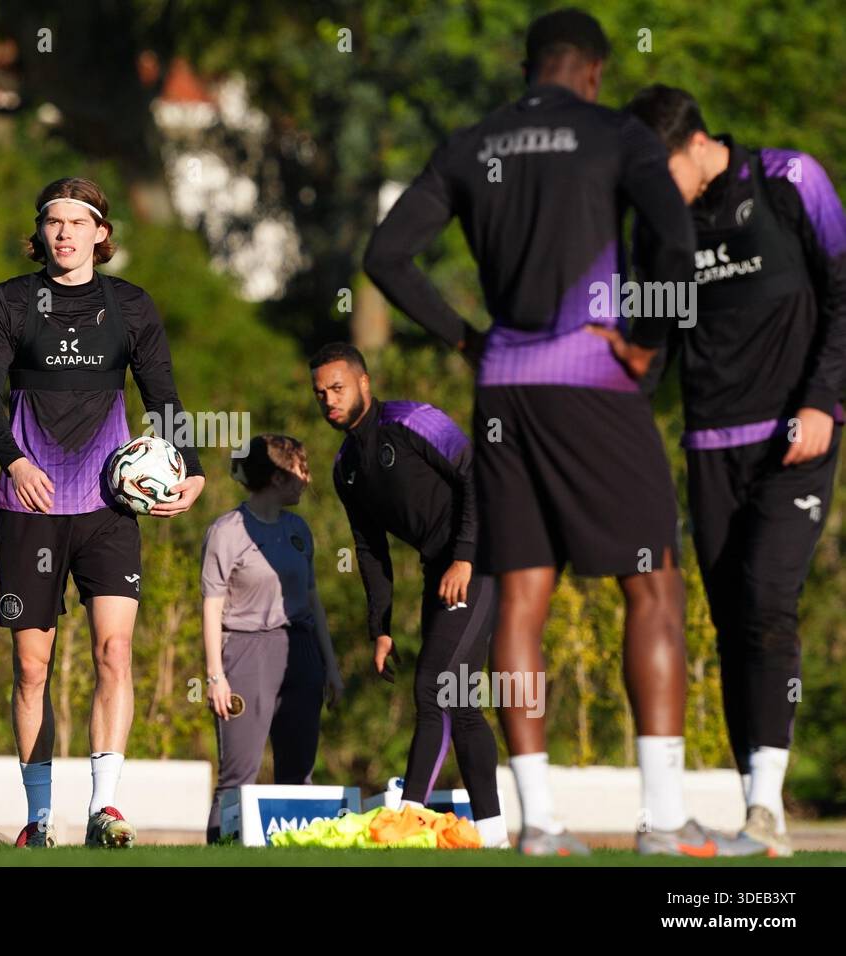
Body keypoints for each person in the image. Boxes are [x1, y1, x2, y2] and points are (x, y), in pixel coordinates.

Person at [362, 8, 762, 854]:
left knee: (526, 594)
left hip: (504, 385)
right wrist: (646, 343)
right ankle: (660, 822)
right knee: (652, 583)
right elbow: (676, 241)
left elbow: (387, 255)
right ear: (593, 72)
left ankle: (538, 824)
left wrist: (467, 338)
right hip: (592, 378)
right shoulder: (618, 134)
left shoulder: (472, 144)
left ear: (529, 68)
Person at [624, 84, 846, 855]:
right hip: (708, 446)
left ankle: (766, 807)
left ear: (690, 145)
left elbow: (845, 292)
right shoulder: (661, 224)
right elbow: (648, 339)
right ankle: (757, 806)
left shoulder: (790, 181)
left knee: (767, 602)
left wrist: (822, 400)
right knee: (728, 624)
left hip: (797, 440)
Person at [0, 177, 205, 847]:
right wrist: (15, 461)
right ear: (40, 232)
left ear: (102, 234)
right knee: (32, 667)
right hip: (31, 501)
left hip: (107, 502)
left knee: (115, 650)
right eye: (54, 222)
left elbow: (161, 390)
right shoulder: (9, 301)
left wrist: (189, 467)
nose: (65, 232)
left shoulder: (130, 306)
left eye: (79, 222)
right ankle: (39, 821)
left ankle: (105, 810)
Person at [311, 343, 509, 849]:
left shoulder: (414, 420)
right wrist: (379, 628)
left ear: (364, 383)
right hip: (437, 571)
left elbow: (477, 477)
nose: (329, 400)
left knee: (432, 690)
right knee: (461, 705)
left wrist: (464, 555)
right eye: (320, 393)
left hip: (481, 558)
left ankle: (409, 820)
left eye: (337, 387)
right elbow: (369, 549)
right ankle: (495, 838)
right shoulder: (345, 468)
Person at [200, 435, 343, 842]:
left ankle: (298, 852)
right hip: (244, 652)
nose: (307, 478)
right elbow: (212, 606)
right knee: (237, 774)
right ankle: (219, 851)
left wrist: (330, 668)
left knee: (299, 773)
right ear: (279, 477)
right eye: (301, 468)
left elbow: (313, 602)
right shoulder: (226, 532)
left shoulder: (300, 530)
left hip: (299, 650)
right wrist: (215, 676)